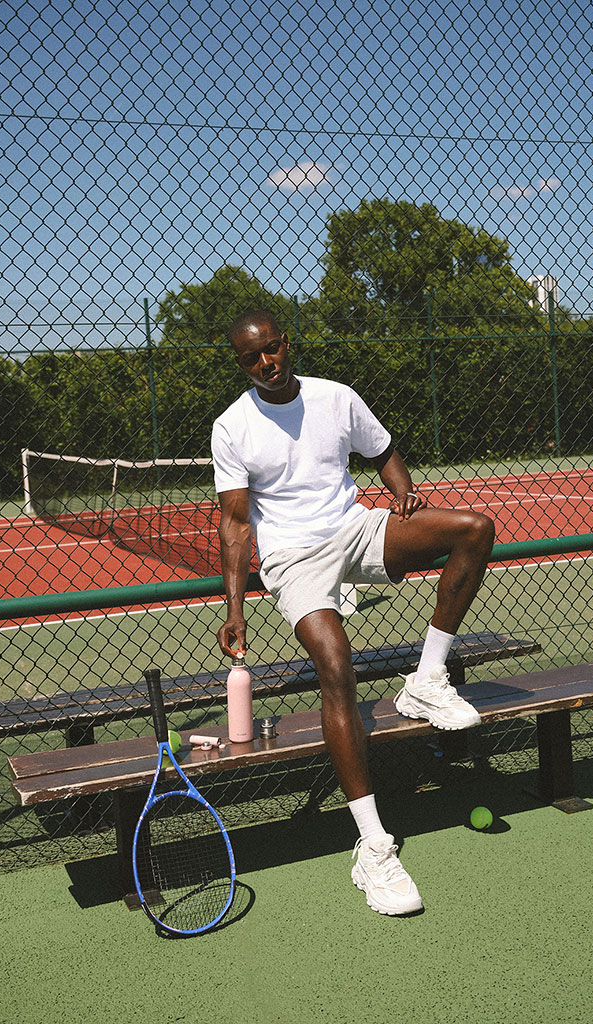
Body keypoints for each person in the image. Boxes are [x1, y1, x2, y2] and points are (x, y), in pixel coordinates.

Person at [211, 309, 495, 916]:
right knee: (337, 666)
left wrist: (402, 489)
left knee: (474, 529)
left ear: (286, 343)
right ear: (240, 364)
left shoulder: (335, 397)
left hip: (354, 528)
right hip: (292, 557)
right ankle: (374, 847)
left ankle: (427, 680)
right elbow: (235, 524)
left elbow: (383, 449)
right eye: (251, 358)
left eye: (271, 349)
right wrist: (234, 608)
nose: (265, 363)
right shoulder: (232, 427)